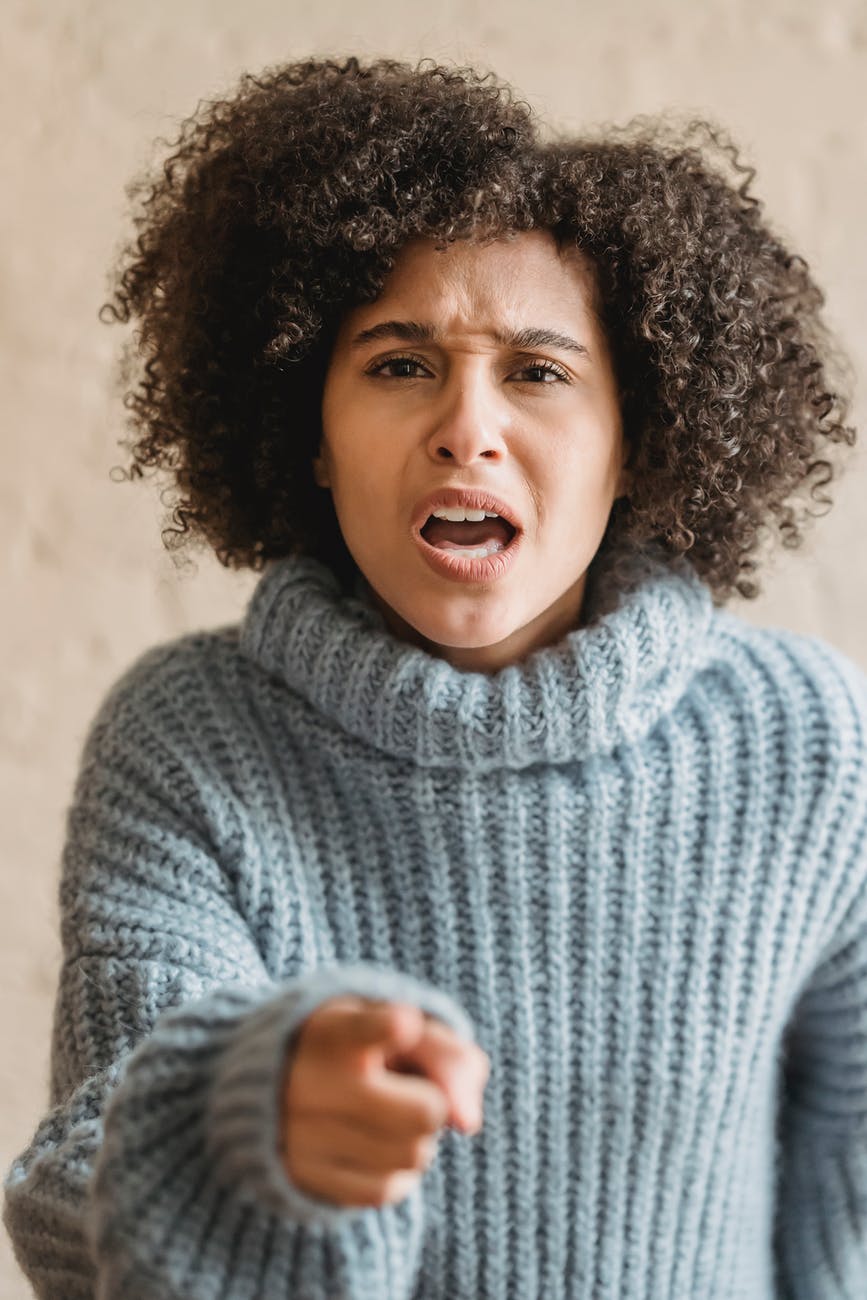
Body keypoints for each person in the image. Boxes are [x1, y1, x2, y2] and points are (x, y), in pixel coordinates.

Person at [3, 54, 865, 1300]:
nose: (468, 425)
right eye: (400, 364)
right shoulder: (187, 739)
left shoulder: (807, 743)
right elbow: (71, 1210)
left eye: (539, 371)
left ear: (639, 440)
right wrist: (246, 1119)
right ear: (308, 430)